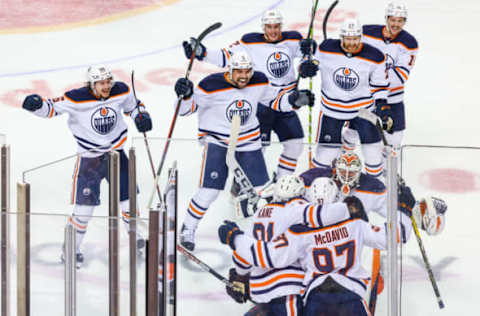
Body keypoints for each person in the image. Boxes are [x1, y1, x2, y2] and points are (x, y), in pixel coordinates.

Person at [174, 51, 314, 251]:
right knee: (209, 191)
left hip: (248, 142)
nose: (243, 76)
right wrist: (186, 95)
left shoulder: (258, 81)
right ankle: (188, 228)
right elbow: (184, 110)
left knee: (263, 190)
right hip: (218, 141)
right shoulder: (210, 85)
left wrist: (293, 101)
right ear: (230, 70)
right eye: (238, 71)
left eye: (247, 71)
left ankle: (271, 231)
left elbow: (274, 100)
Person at [21, 64, 153, 268]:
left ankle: (137, 239)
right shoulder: (76, 98)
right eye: (101, 83)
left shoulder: (121, 90)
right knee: (84, 209)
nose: (107, 86)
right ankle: (71, 249)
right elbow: (51, 109)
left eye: (108, 81)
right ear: (92, 84)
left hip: (117, 154)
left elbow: (133, 106)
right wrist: (36, 105)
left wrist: (141, 116)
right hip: (90, 159)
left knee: (129, 203)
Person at [218, 182, 416, 315]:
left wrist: (235, 237)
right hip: (351, 296)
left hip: (317, 299)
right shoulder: (356, 224)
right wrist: (404, 210)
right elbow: (395, 236)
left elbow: (267, 257)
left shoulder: (301, 232)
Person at [182, 9, 318, 179]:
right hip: (261, 104)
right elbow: (226, 57)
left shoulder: (293, 38)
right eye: (269, 27)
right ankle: (241, 184)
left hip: (286, 102)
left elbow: (310, 56)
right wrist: (203, 53)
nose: (273, 30)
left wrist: (310, 57)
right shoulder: (250, 42)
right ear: (263, 27)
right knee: (257, 148)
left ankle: (281, 184)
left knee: (295, 145)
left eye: (276, 26)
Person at [225, 174, 355, 315]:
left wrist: (240, 276)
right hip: (290, 289)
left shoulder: (259, 214)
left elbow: (245, 251)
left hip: (261, 290)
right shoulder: (300, 210)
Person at [298, 18, 390, 179]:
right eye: (348, 39)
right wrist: (306, 66)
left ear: (360, 37)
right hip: (332, 110)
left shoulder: (375, 56)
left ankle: (377, 188)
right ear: (341, 37)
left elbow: (380, 85)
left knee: (373, 152)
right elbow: (309, 62)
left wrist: (382, 106)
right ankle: (319, 185)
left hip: (363, 110)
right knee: (325, 155)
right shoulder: (327, 48)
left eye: (355, 39)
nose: (352, 43)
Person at [300, 151, 446, 237]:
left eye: (351, 173)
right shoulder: (315, 178)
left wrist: (413, 210)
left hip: (337, 239)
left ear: (359, 172)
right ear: (335, 169)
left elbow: (390, 209)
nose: (347, 177)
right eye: (344, 172)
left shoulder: (371, 187)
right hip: (332, 239)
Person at [342, 2, 419, 159]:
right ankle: (342, 165)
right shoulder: (367, 32)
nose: (396, 24)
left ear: (404, 22)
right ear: (386, 19)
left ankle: (386, 175)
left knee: (394, 140)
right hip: (366, 98)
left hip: (393, 99)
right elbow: (350, 48)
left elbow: (399, 77)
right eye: (393, 20)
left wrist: (371, 79)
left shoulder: (409, 42)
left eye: (400, 21)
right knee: (351, 133)